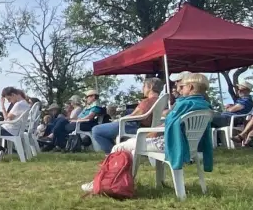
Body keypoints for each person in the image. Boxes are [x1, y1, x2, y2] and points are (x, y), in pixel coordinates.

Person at [83, 73, 214, 192]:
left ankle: (103, 182)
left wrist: (149, 132)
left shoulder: (184, 104)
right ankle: (119, 183)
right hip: (189, 146)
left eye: (182, 86)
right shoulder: (204, 106)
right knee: (132, 150)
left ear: (190, 87)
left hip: (169, 143)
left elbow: (168, 125)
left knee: (119, 147)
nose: (179, 89)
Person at [90, 78, 164, 154]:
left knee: (96, 130)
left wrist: (119, 119)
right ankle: (117, 153)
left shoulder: (147, 102)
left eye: (144, 86)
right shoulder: (162, 101)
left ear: (150, 87)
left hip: (136, 128)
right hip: (150, 129)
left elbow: (133, 116)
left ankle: (113, 155)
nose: (142, 88)